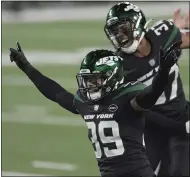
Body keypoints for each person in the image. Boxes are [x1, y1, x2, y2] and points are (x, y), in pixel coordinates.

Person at [9, 41, 181, 177]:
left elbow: (151, 94)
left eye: (94, 80)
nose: (89, 85)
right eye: (87, 80)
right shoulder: (85, 103)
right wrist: (26, 66)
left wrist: (162, 72)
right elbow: (55, 93)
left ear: (112, 77)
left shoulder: (127, 97)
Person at [104, 2, 189, 176]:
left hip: (180, 116)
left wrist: (181, 32)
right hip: (152, 128)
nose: (119, 36)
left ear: (138, 24)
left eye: (123, 29)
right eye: (115, 31)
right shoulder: (119, 67)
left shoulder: (164, 34)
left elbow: (184, 41)